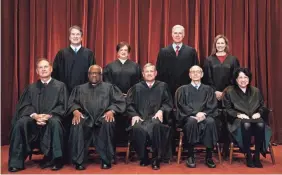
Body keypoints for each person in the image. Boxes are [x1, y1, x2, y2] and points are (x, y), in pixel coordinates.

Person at [8, 59, 68, 172]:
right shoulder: (31, 88)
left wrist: (48, 116)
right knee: (21, 123)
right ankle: (16, 162)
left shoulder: (60, 86)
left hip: (51, 118)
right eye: (41, 67)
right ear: (37, 71)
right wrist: (35, 116)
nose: (44, 69)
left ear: (51, 69)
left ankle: (56, 160)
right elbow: (25, 105)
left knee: (55, 122)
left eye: (46, 67)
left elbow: (62, 106)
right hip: (34, 120)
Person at [67, 65, 126, 170]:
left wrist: (111, 111)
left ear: (101, 75)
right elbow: (72, 102)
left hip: (103, 118)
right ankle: (79, 161)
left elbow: (120, 101)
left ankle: (106, 160)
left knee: (108, 122)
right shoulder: (80, 88)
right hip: (85, 118)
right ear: (88, 75)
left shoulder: (109, 88)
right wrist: (75, 111)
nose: (94, 75)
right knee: (77, 123)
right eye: (91, 73)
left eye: (97, 73)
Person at [126, 63, 173, 170]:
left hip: (157, 118)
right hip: (141, 118)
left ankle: (156, 158)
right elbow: (129, 104)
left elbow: (168, 103)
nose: (149, 73)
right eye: (147, 71)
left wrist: (161, 110)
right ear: (143, 74)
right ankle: (144, 157)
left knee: (156, 126)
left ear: (156, 73)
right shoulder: (136, 87)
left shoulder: (163, 86)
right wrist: (134, 115)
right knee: (137, 128)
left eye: (151, 71)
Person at [222, 68, 272, 168]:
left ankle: (256, 155)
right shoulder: (229, 91)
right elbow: (226, 109)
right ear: (236, 79)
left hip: (255, 119)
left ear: (249, 79)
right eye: (240, 77)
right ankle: (248, 155)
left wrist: (259, 113)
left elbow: (263, 106)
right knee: (246, 124)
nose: (243, 79)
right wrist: (238, 115)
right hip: (237, 121)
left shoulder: (256, 91)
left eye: (245, 77)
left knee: (260, 123)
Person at [203, 34, 240, 155]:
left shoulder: (233, 59)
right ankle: (214, 146)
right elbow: (206, 79)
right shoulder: (209, 60)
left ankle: (226, 147)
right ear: (215, 45)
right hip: (213, 95)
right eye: (218, 43)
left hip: (229, 95)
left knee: (227, 120)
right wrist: (215, 92)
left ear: (226, 45)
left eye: (222, 43)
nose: (220, 45)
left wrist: (224, 92)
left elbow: (236, 79)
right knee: (215, 120)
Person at [175, 65, 218, 168]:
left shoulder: (209, 89)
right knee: (191, 122)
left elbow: (212, 106)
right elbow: (181, 106)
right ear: (189, 75)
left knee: (210, 122)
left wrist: (204, 114)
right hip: (188, 117)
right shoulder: (182, 90)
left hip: (205, 116)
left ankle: (209, 156)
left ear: (202, 74)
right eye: (193, 72)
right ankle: (190, 155)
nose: (195, 74)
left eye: (198, 72)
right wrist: (194, 114)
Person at [103, 41, 142, 145]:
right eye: (121, 50)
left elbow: (138, 84)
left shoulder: (135, 66)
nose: (124, 52)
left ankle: (132, 144)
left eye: (126, 50)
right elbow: (107, 84)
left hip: (131, 99)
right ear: (117, 52)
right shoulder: (110, 66)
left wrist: (129, 95)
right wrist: (119, 95)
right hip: (114, 100)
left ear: (129, 52)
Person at [156, 24, 199, 97]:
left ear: (183, 35)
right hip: (167, 90)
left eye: (180, 33)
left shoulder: (191, 51)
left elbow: (196, 71)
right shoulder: (163, 52)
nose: (177, 35)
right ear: (172, 34)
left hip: (186, 90)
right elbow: (159, 72)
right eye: (175, 33)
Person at [52, 25, 96, 93]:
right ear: (69, 37)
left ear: (81, 38)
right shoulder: (62, 53)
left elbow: (93, 74)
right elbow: (55, 73)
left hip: (85, 92)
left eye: (78, 34)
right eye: (73, 34)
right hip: (65, 92)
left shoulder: (89, 54)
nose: (75, 36)